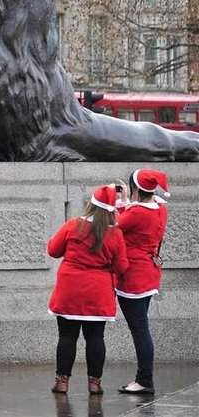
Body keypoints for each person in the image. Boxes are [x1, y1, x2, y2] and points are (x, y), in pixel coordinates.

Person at [47, 184, 129, 395]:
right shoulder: (115, 234)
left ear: (90, 204)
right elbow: (121, 267)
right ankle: (95, 384)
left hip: (70, 289)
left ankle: (62, 382)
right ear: (111, 210)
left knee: (66, 337)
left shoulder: (73, 225)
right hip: (98, 291)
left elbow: (54, 251)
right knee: (95, 338)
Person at [114, 169, 169, 395]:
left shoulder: (136, 214)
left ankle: (144, 380)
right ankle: (144, 379)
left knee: (139, 329)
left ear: (136, 189)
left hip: (133, 276)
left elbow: (114, 226)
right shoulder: (161, 210)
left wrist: (121, 202)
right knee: (141, 327)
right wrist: (128, 200)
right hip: (149, 273)